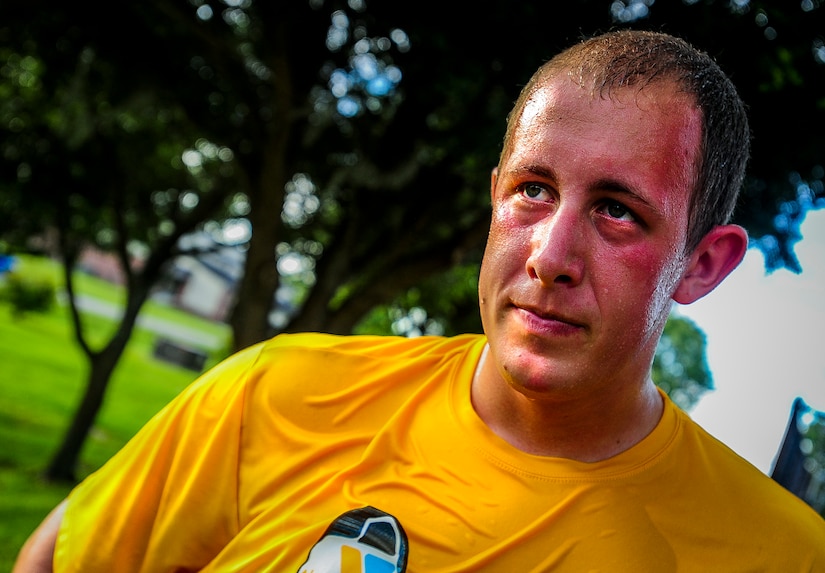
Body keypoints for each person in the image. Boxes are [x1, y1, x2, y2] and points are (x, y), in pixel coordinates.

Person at [14, 29, 825, 572]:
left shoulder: (781, 554)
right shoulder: (276, 393)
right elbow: (53, 559)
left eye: (617, 210)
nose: (549, 255)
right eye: (532, 190)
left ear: (702, 265)